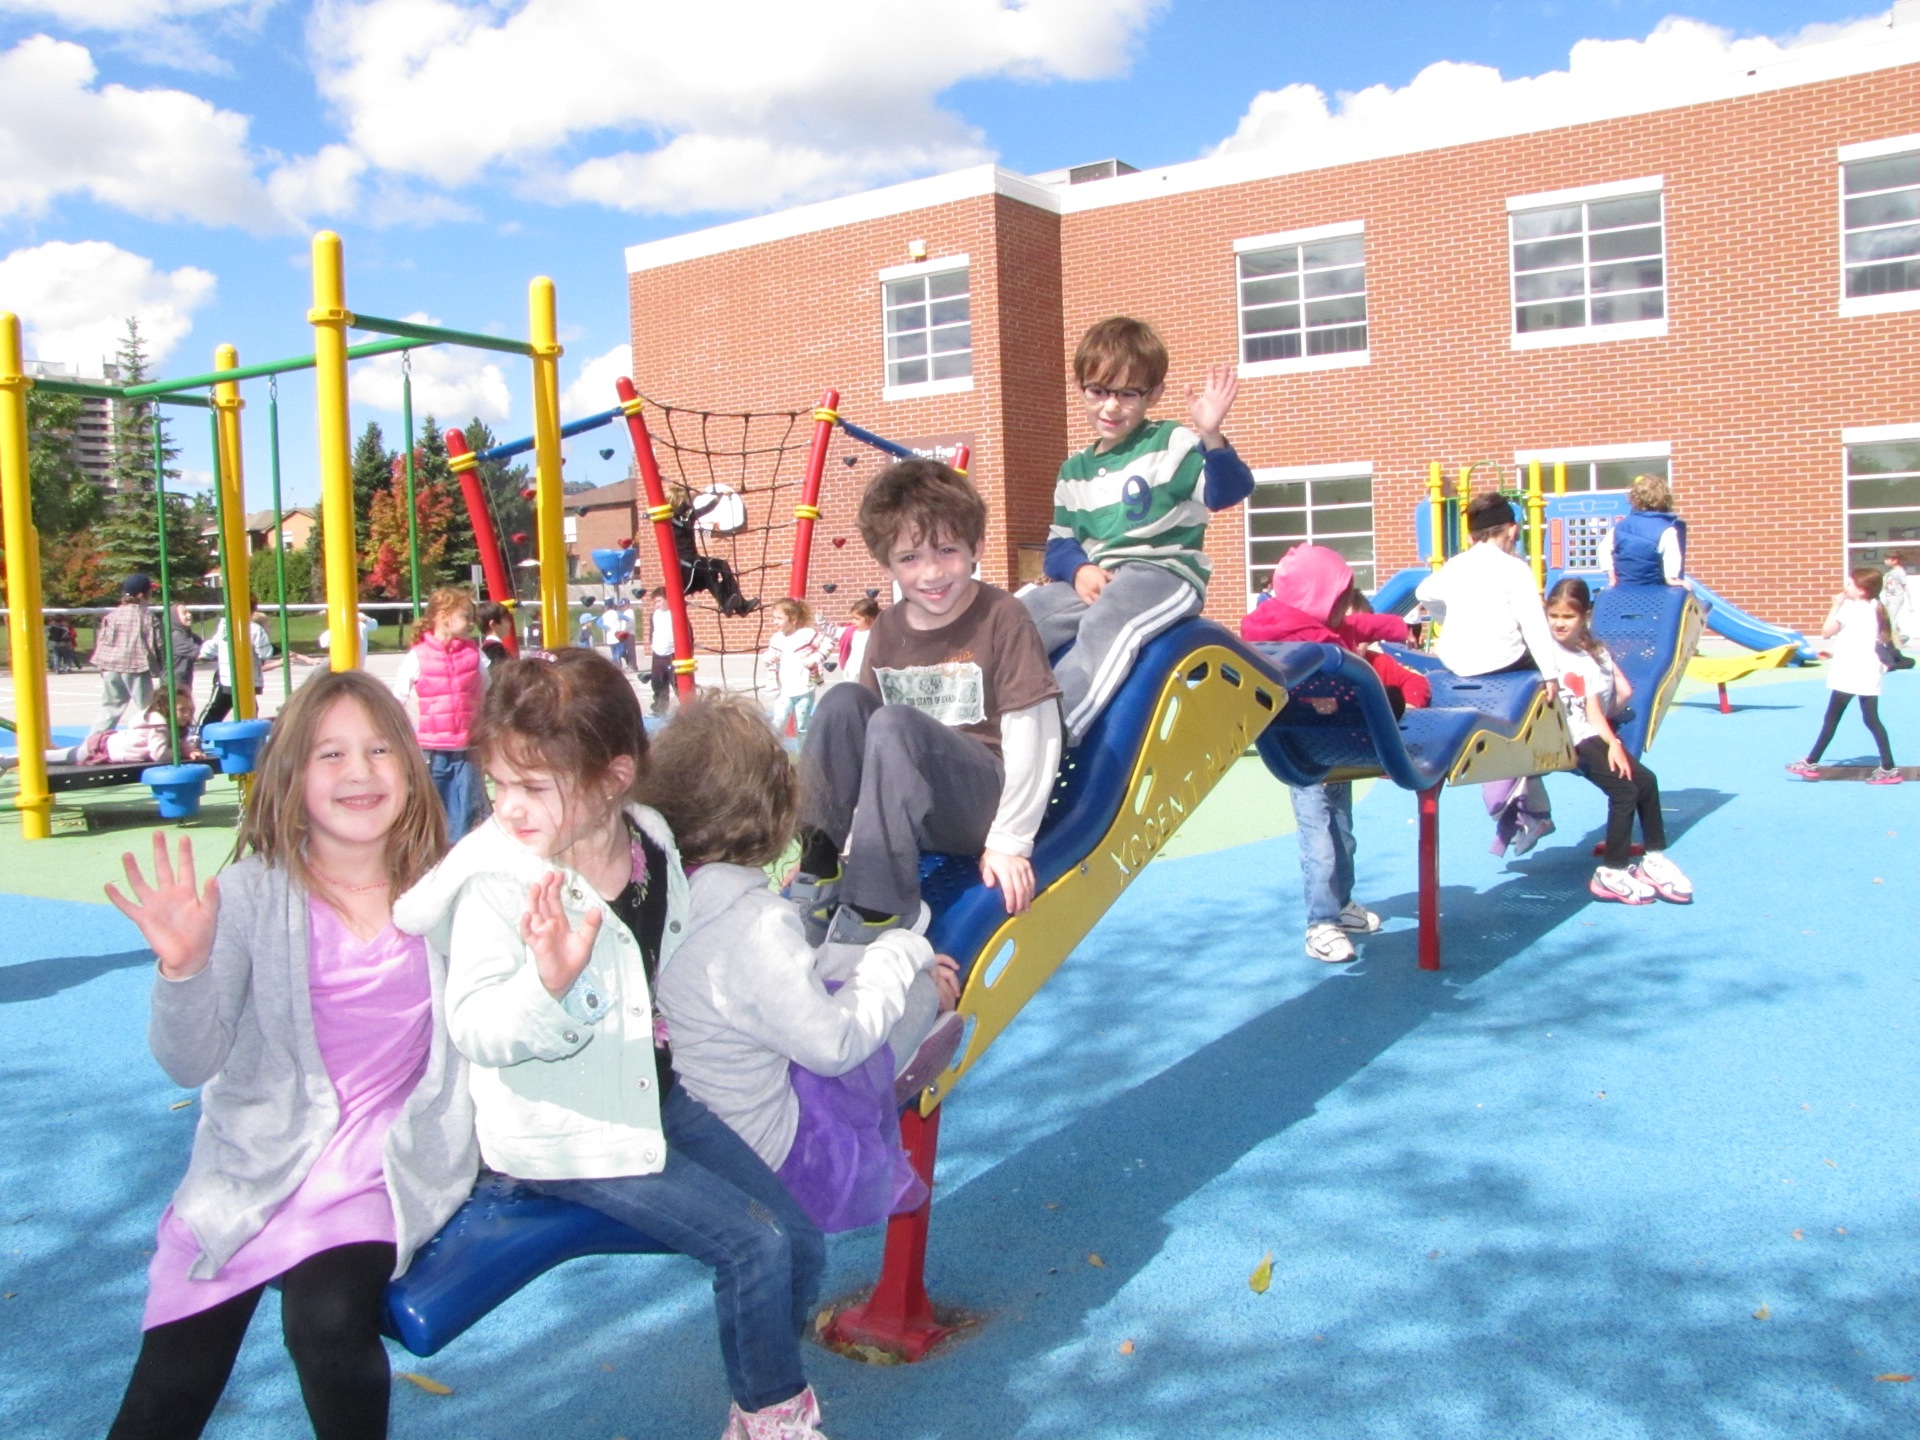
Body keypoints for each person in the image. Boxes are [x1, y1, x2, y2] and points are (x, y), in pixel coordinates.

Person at [392, 650, 832, 1440]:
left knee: (799, 1242)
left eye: (533, 786)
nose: (507, 807)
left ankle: (765, 1371)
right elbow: (477, 1028)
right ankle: (770, 1418)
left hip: (651, 1096)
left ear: (612, 777)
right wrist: (548, 989)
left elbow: (671, 945)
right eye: (498, 783)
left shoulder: (651, 843)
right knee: (754, 1248)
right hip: (563, 1130)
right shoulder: (498, 885)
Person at [98, 669, 477, 1440]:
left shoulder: (451, 892)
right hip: (257, 1161)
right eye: (329, 755)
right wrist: (184, 968)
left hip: (380, 1167)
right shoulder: (249, 895)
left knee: (328, 1324)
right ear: (293, 776)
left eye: (378, 750)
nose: (360, 772)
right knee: (167, 1392)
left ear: (411, 765)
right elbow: (188, 1061)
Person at [645, 691, 962, 1234]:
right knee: (918, 993)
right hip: (776, 1162)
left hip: (689, 1131)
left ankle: (891, 1022)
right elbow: (832, 1046)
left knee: (835, 977)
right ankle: (887, 1084)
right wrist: (904, 951)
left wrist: (864, 957)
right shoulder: (753, 924)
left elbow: (798, 963)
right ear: (774, 819)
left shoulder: (670, 894)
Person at [788, 458, 1063, 948]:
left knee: (894, 724)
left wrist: (1010, 840)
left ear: (976, 548)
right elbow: (861, 748)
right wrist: (851, 842)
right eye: (910, 558)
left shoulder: (1003, 617)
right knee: (842, 702)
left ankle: (881, 908)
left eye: (948, 550)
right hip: (909, 809)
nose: (932, 572)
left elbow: (1035, 731)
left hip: (976, 798)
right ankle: (819, 862)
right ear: (887, 564)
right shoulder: (889, 628)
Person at [1019, 317, 1254, 742]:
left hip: (1162, 572)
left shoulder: (1170, 442)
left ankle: (1058, 728)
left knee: (1111, 619)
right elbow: (1059, 544)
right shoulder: (1074, 471)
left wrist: (1212, 435)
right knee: (1022, 615)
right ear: (1082, 389)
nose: (1111, 406)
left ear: (1154, 395)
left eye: (1128, 394)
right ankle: (993, 716)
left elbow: (1227, 492)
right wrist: (1078, 570)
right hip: (1096, 577)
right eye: (1099, 391)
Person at [1242, 546, 1426, 962]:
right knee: (1319, 841)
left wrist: (1395, 627)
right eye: (1339, 598)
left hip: (1336, 747)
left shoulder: (1318, 623)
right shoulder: (1297, 640)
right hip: (1305, 750)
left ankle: (1341, 906)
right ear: (1317, 598)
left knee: (1342, 832)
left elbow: (1356, 623)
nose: (1344, 609)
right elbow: (1308, 664)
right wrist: (1321, 695)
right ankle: (1320, 923)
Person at [1416, 493, 1565, 856]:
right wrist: (1551, 674)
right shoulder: (1515, 568)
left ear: (1470, 537)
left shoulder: (1454, 566)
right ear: (1512, 531)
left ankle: (1529, 807)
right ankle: (1528, 803)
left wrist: (1446, 618)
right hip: (1504, 666)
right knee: (1539, 719)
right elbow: (1533, 622)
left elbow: (1424, 593)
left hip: (1456, 665)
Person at [1544, 578, 1695, 903]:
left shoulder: (1587, 659)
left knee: (1645, 780)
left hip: (1584, 733)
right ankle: (1611, 870)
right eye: (1553, 615)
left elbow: (1594, 711)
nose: (1559, 623)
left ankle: (1653, 857)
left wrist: (1613, 743)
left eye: (1567, 617)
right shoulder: (1543, 650)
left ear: (1584, 616)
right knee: (1624, 789)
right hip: (1562, 740)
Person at [1787, 568, 1902, 785]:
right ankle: (1888, 767)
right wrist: (1832, 651)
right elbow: (1858, 639)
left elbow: (1826, 631)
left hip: (1850, 672)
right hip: (1867, 670)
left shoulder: (1849, 608)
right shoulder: (1876, 607)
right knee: (1871, 719)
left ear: (1861, 590)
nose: (1845, 587)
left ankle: (1811, 762)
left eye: (1849, 584)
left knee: (1832, 719)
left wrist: (1835, 605)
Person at [393, 588, 490, 838]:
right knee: (431, 807)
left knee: (467, 809)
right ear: (445, 617)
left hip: (467, 747)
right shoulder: (418, 656)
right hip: (431, 749)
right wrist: (397, 737)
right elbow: (397, 698)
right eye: (466, 616)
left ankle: (459, 855)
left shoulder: (473, 654)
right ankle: (430, 854)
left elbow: (490, 692)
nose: (472, 622)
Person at [88, 574, 164, 736]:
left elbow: (102, 640)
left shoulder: (112, 615)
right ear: (141, 595)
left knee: (111, 705)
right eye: (150, 592)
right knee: (148, 706)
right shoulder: (147, 617)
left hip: (110, 666)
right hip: (135, 666)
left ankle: (94, 740)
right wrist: (161, 666)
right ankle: (159, 737)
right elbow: (157, 643)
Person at [672, 488, 759, 618]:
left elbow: (705, 509)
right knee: (708, 568)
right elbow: (683, 507)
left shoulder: (688, 517)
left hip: (694, 560)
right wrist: (692, 496)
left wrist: (718, 497)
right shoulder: (671, 518)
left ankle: (741, 605)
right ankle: (724, 603)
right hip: (685, 565)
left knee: (720, 564)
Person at [1600, 472, 1688, 587]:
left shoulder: (1620, 526)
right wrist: (1672, 578)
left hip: (1624, 587)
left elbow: (1603, 549)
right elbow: (1672, 556)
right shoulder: (1666, 529)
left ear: (1634, 499)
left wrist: (1611, 577)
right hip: (1654, 588)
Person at [196, 600, 274, 729]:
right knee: (246, 709)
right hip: (246, 678)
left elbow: (215, 643)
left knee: (219, 708)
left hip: (227, 676)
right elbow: (265, 653)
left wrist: (204, 653)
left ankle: (202, 733)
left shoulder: (225, 626)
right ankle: (247, 734)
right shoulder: (255, 629)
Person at [764, 599, 831, 740]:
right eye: (774, 618)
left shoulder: (806, 635)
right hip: (785, 691)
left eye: (779, 618)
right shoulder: (776, 639)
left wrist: (816, 657)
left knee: (802, 727)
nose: (775, 622)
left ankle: (804, 756)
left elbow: (828, 643)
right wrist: (768, 658)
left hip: (804, 690)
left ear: (793, 619)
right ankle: (775, 753)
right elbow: (770, 655)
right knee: (777, 723)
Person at [646, 587, 676, 716]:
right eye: (655, 602)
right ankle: (659, 709)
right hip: (658, 654)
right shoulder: (655, 615)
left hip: (673, 653)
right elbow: (653, 631)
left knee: (677, 682)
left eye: (659, 601)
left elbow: (688, 633)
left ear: (667, 599)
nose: (657, 605)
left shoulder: (675, 613)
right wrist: (653, 644)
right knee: (658, 682)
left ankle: (688, 708)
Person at [836, 595, 880, 683]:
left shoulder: (877, 634)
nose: (852, 621)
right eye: (852, 618)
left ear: (870, 619)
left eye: (857, 619)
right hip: (851, 673)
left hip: (867, 675)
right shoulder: (851, 632)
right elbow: (833, 631)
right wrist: (821, 620)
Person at [1883, 552, 1912, 645]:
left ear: (1895, 561)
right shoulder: (1890, 572)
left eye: (1888, 559)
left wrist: (1910, 603)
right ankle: (1901, 636)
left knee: (1892, 619)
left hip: (1896, 598)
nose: (1885, 561)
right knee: (1888, 618)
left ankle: (1893, 640)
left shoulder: (1900, 572)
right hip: (1889, 598)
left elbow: (1905, 586)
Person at [477, 600, 516, 664]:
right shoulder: (494, 649)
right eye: (506, 620)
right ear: (493, 624)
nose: (510, 624)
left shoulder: (490, 647)